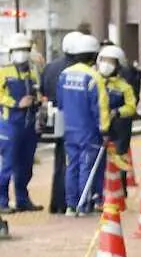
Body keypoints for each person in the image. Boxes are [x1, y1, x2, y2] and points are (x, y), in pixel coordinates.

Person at [57, 33, 110, 216]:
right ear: (94, 55)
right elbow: (101, 107)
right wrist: (105, 129)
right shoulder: (95, 77)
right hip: (89, 131)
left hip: (70, 129)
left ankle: (71, 204)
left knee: (72, 166)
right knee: (87, 166)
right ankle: (84, 204)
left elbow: (61, 103)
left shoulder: (64, 75)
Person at [0, 32, 44, 213]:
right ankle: (2, 201)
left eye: (25, 50)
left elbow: (39, 92)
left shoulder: (34, 71)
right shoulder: (4, 71)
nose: (22, 54)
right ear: (11, 52)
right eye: (18, 50)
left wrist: (38, 101)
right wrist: (16, 103)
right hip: (10, 123)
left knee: (26, 164)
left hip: (29, 123)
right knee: (8, 164)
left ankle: (22, 199)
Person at [41, 31, 83, 214]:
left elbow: (43, 89)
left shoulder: (50, 67)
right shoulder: (80, 69)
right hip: (77, 119)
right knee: (75, 162)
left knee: (60, 161)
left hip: (56, 116)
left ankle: (57, 203)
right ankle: (72, 201)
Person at [97, 44, 137, 194]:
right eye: (104, 60)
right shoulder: (95, 81)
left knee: (120, 158)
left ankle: (121, 189)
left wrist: (117, 112)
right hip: (99, 126)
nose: (106, 65)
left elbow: (131, 107)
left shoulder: (124, 86)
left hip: (119, 128)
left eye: (111, 62)